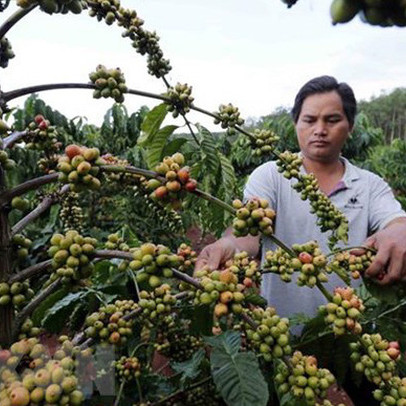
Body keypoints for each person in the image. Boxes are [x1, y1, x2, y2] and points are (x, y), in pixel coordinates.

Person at [195, 75, 406, 319]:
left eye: (332, 120)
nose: (319, 130)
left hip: (348, 327)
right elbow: (247, 235)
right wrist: (228, 245)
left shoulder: (370, 185)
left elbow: (395, 221)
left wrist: (401, 230)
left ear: (350, 127)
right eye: (309, 120)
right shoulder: (271, 175)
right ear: (296, 124)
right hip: (280, 331)